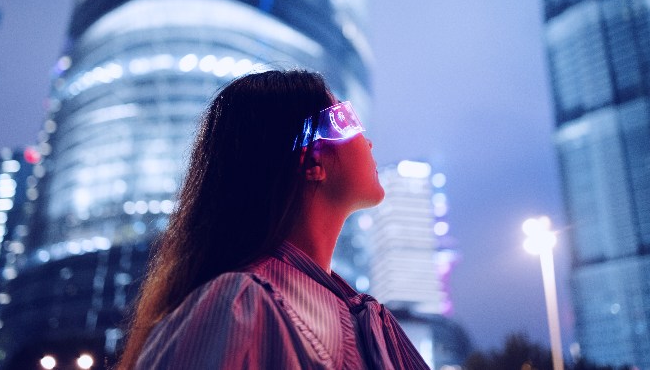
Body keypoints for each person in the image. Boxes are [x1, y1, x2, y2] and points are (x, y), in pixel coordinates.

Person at [118, 69, 428, 369]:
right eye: (346, 119)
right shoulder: (241, 305)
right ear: (313, 160)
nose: (368, 141)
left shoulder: (368, 318)